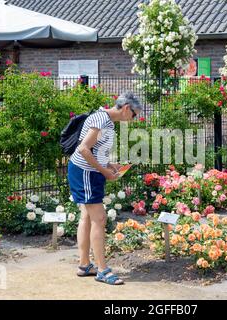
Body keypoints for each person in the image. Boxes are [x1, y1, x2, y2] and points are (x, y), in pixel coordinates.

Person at [68, 91, 142, 285]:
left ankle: (85, 265)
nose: (133, 119)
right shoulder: (101, 119)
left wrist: (110, 166)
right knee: (99, 219)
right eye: (134, 115)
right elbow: (83, 148)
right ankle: (102, 270)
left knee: (87, 216)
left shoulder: (107, 121)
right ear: (126, 108)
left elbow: (94, 150)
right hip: (85, 172)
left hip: (88, 171)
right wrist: (104, 171)